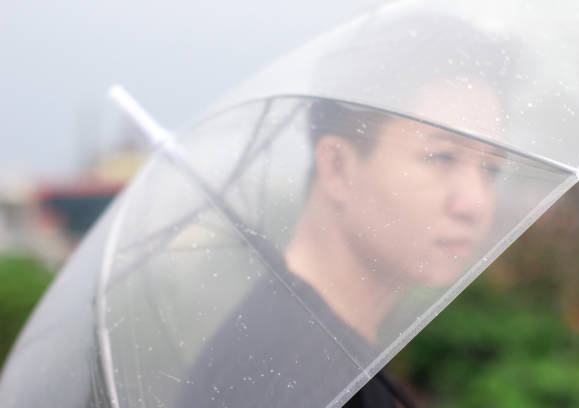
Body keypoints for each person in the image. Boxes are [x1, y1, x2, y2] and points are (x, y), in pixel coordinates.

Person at [179, 12, 509, 408]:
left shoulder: (318, 354)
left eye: (491, 168)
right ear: (337, 166)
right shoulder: (287, 380)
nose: (473, 202)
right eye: (441, 157)